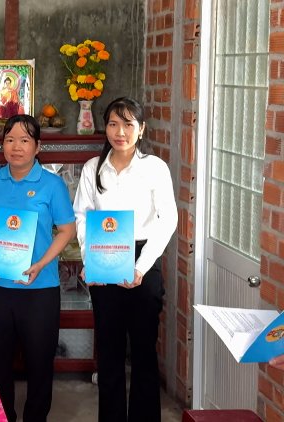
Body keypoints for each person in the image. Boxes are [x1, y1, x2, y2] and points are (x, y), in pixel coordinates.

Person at [73, 97, 177, 422]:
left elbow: (168, 220)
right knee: (110, 351)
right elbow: (82, 215)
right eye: (114, 124)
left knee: (144, 351)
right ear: (106, 128)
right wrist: (90, 260)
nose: (120, 132)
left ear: (141, 129)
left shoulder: (154, 168)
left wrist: (141, 266)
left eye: (129, 124)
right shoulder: (94, 168)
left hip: (142, 259)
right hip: (105, 257)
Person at [0, 114, 76, 422]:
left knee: (40, 363)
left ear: (37, 146)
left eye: (24, 140)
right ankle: (3, 415)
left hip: (39, 289)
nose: (15, 147)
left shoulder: (51, 184)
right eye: (9, 140)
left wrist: (42, 263)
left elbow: (67, 229)